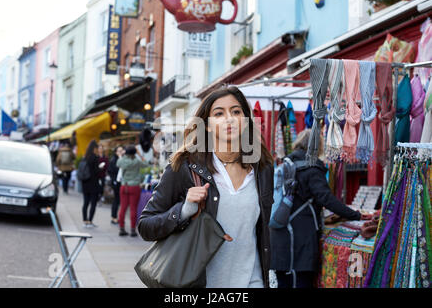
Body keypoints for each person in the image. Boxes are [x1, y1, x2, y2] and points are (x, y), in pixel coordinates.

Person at [138, 86, 274, 288]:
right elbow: (146, 226)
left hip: (251, 282)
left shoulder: (262, 168)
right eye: (219, 113)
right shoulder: (184, 167)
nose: (229, 118)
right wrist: (184, 210)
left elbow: (260, 231)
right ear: (207, 125)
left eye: (236, 111)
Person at [269, 129, 371, 288]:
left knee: (285, 282)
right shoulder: (311, 169)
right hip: (299, 243)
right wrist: (356, 215)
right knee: (300, 283)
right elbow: (327, 199)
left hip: (281, 239)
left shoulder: (288, 164)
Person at [117, 145, 149, 237]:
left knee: (123, 208)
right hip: (134, 186)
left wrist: (122, 154)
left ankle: (122, 228)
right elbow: (146, 164)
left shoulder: (123, 160)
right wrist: (140, 154)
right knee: (133, 208)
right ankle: (132, 230)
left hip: (124, 186)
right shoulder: (137, 161)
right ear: (134, 153)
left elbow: (118, 163)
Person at [81, 140, 104, 228]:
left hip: (85, 183)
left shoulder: (85, 157)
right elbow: (95, 172)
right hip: (93, 184)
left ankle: (84, 221)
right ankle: (90, 221)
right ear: (95, 148)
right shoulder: (95, 157)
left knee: (85, 202)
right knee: (93, 203)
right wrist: (100, 168)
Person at [107, 145, 124, 225]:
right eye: (119, 151)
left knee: (117, 200)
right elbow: (114, 170)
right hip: (116, 183)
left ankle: (114, 217)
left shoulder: (118, 159)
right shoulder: (115, 160)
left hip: (118, 182)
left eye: (122, 150)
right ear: (116, 152)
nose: (121, 152)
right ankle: (114, 218)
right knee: (116, 200)